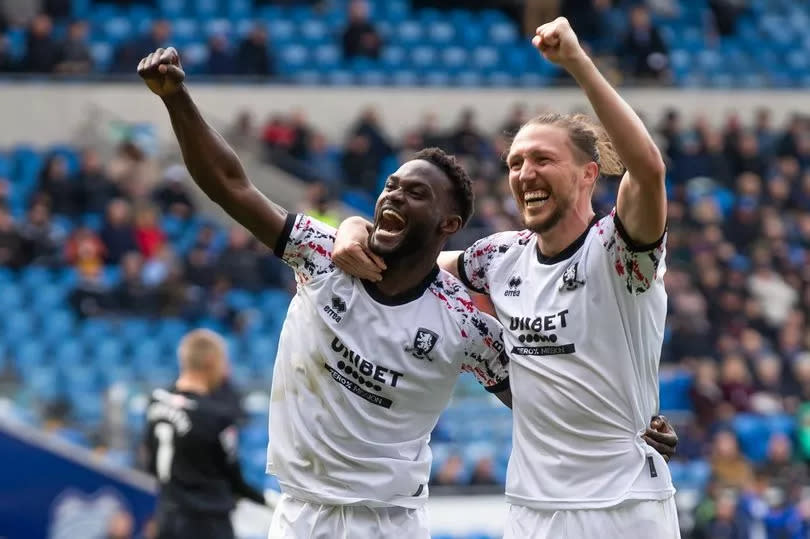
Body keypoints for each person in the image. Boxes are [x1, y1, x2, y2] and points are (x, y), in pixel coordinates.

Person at [136, 45, 675, 538]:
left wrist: (630, 425)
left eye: (415, 193)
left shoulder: (470, 322)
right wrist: (177, 99)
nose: (393, 196)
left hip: (397, 522)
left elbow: (539, 387)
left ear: (448, 221)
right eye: (390, 186)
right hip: (303, 514)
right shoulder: (331, 257)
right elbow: (231, 184)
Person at [333, 17, 679, 538]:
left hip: (623, 505)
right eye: (515, 162)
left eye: (543, 159)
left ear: (589, 174)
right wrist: (355, 228)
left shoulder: (618, 253)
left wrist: (576, 63)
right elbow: (409, 260)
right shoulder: (500, 257)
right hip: (529, 509)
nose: (523, 174)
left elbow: (647, 169)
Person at [141, 329, 270, 539]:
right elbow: (234, 480)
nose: (226, 370)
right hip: (208, 524)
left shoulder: (155, 402)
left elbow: (149, 463)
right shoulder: (216, 416)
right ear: (211, 361)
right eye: (224, 362)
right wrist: (265, 500)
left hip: (167, 518)